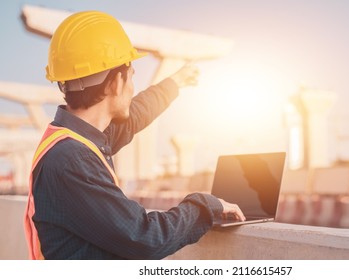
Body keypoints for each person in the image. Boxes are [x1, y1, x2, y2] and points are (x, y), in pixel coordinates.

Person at [24, 10, 245, 260]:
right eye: (131, 76)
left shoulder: (73, 139)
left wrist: (174, 83)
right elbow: (144, 237)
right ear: (116, 83)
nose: (132, 86)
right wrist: (206, 206)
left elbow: (134, 116)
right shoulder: (73, 160)